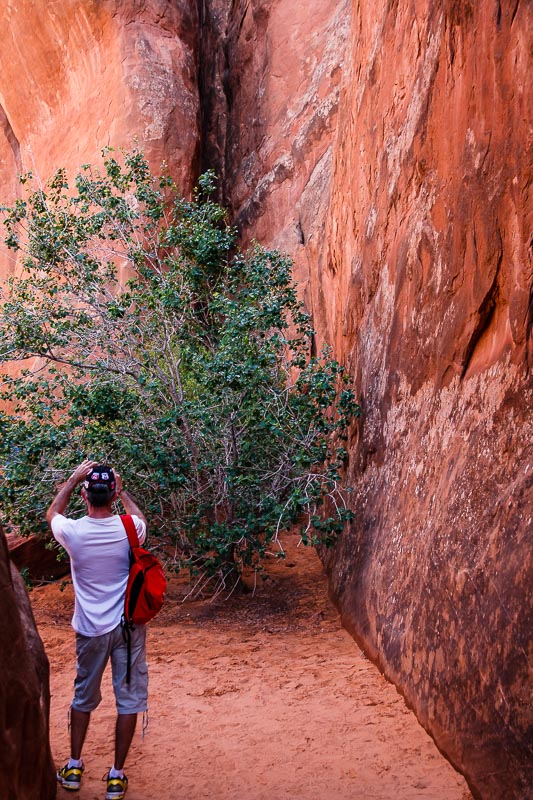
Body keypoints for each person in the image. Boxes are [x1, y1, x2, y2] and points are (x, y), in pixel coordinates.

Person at [47, 459, 148, 799]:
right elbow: (141, 519)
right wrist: (123, 490)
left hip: (91, 629)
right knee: (129, 700)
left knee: (83, 696)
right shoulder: (130, 528)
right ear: (112, 495)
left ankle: (74, 767)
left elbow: (52, 514)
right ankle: (116, 777)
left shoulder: (73, 532)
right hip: (129, 628)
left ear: (87, 497)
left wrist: (72, 480)